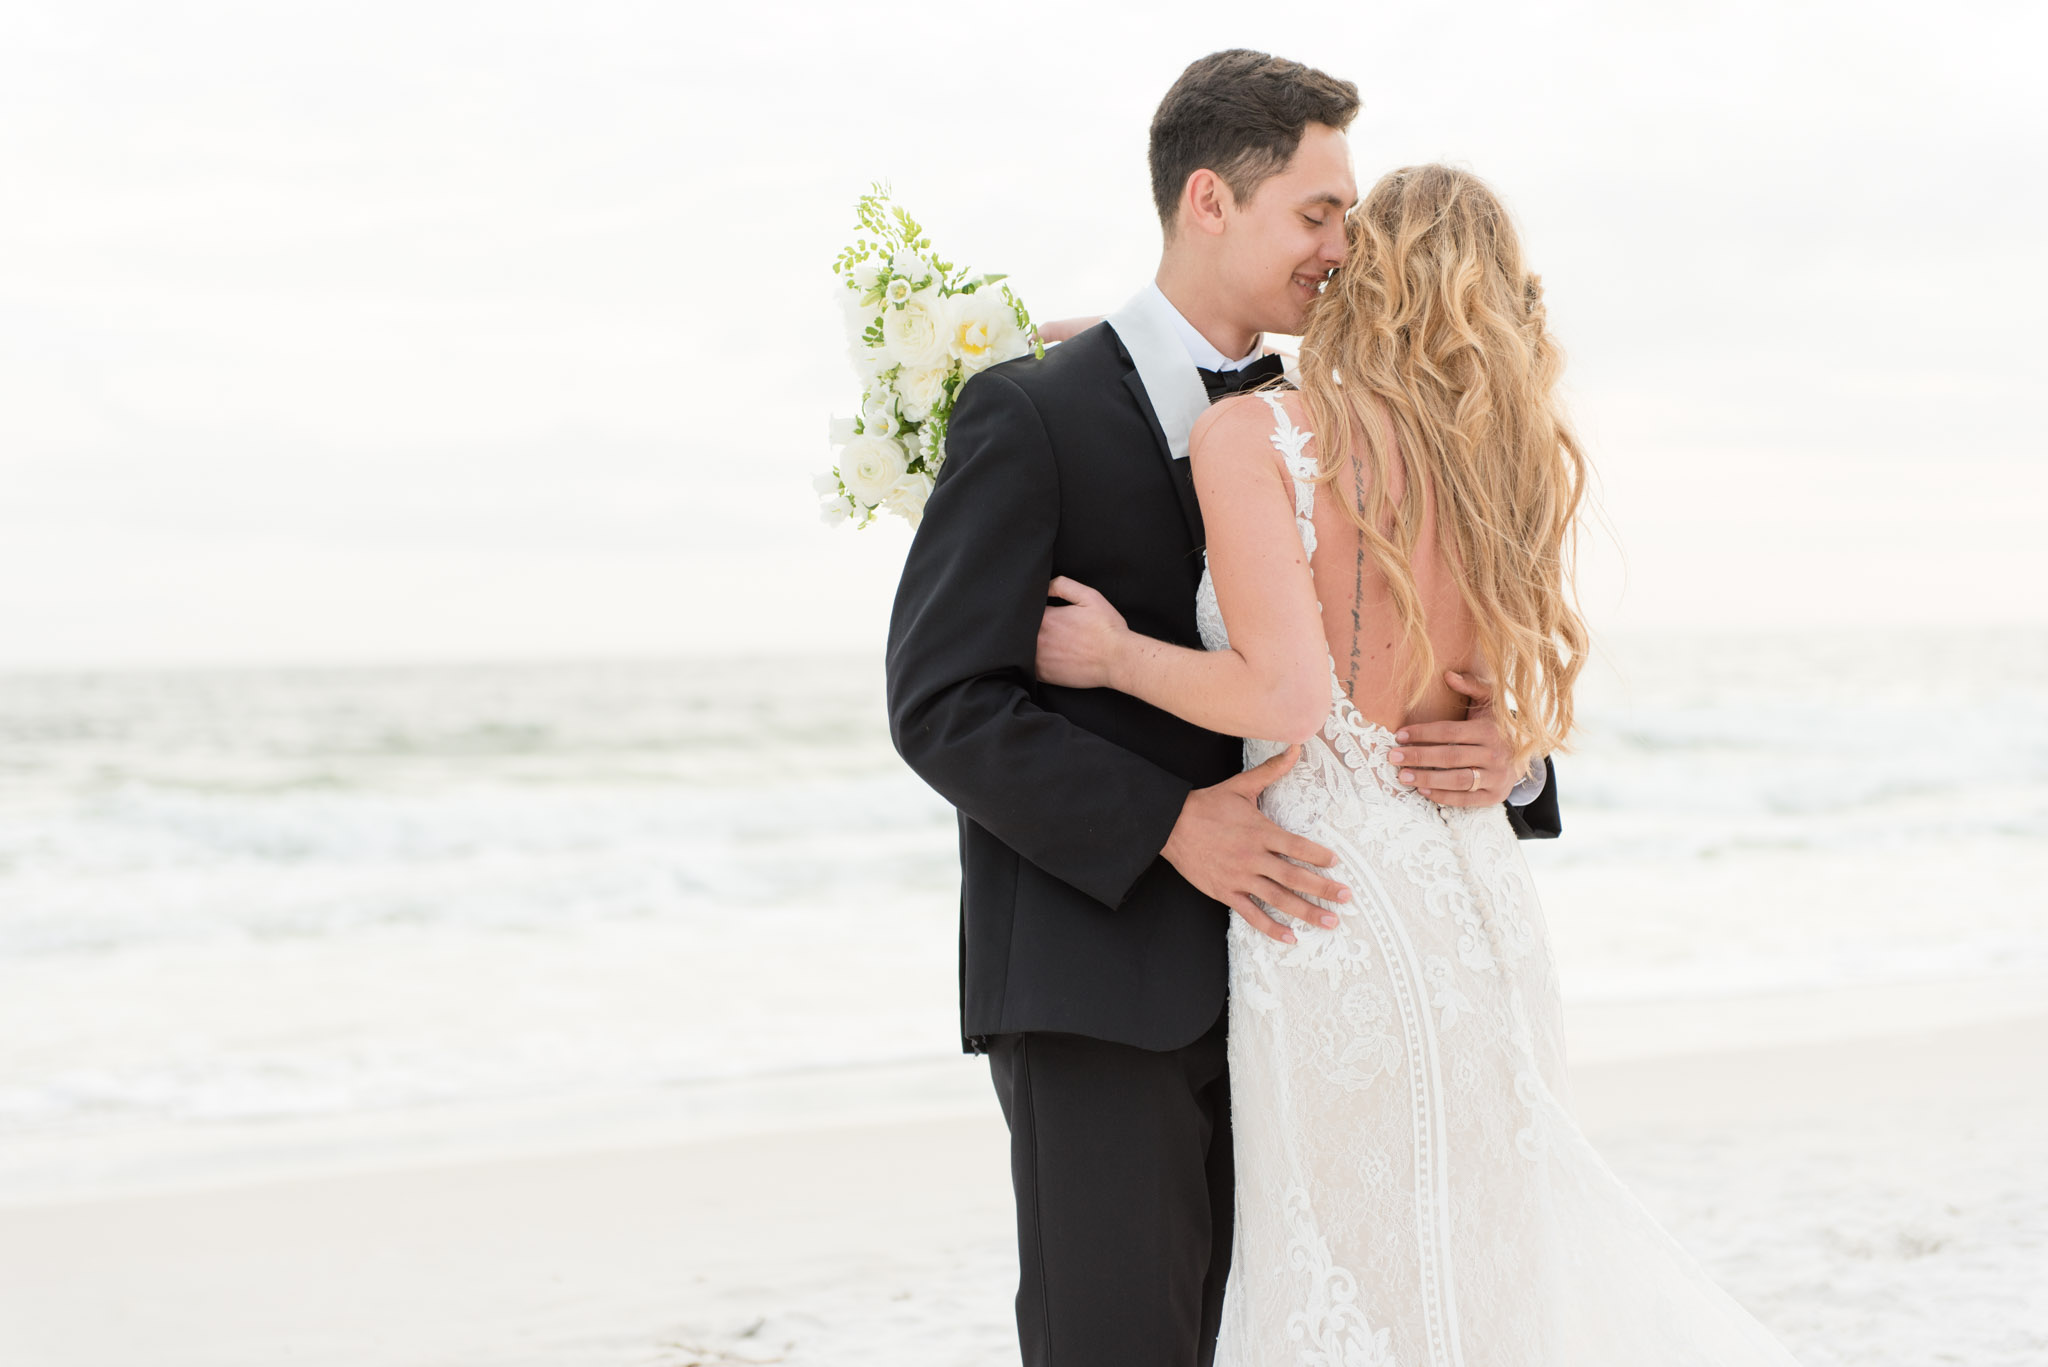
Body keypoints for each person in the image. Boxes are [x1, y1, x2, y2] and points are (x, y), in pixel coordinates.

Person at [1034, 163, 1804, 1362]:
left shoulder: (1263, 436)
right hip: (1478, 905)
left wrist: (1115, 654)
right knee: (1485, 1271)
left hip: (1331, 905)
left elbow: (1285, 695)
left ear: (1357, 273)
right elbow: (1498, 694)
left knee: (1349, 1276)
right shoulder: (1499, 469)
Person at [885, 50, 1556, 1367]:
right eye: (1318, 213)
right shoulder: (1033, 408)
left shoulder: (1349, 426)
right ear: (1211, 200)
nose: (1344, 247)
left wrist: (1513, 760)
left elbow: (1432, 642)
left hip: (1319, 986)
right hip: (1108, 979)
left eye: (1351, 215)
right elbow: (942, 700)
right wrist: (1167, 822)